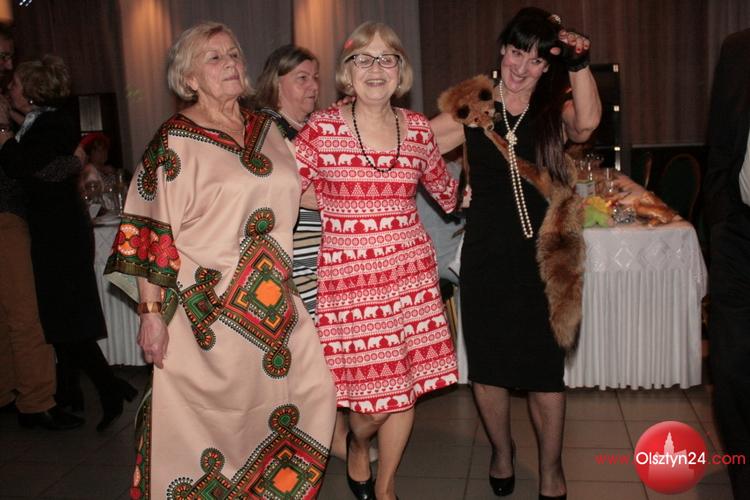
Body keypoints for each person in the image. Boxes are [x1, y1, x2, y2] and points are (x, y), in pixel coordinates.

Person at [104, 22, 336, 498]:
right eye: (214, 57)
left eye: (234, 54)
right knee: (210, 435)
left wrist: (376, 195)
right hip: (206, 318)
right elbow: (149, 230)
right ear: (188, 78)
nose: (230, 63)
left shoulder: (267, 129)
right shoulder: (175, 140)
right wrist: (150, 314)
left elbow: (302, 193)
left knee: (310, 401)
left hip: (276, 313)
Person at [431, 7, 601, 499]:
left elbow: (587, 124)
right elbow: (415, 144)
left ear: (548, 67)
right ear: (502, 49)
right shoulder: (475, 105)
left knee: (546, 374)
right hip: (487, 255)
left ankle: (551, 469)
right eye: (515, 52)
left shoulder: (551, 109)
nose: (521, 67)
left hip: (546, 260)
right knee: (489, 368)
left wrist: (578, 63)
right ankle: (502, 452)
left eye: (535, 59)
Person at [295, 21, 459, 500]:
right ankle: (357, 442)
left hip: (411, 275)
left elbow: (447, 193)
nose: (375, 68)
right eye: (363, 58)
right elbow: (282, 189)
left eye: (387, 58)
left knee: (405, 389)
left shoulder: (418, 128)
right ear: (347, 72)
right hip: (351, 281)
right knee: (372, 405)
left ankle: (385, 488)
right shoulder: (322, 129)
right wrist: (333, 203)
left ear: (400, 71)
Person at [0, 55, 133, 432]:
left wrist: (3, 131)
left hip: (58, 233)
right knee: (61, 318)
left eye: (15, 83)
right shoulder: (41, 121)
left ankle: (108, 388)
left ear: (32, 90)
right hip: (53, 230)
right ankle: (74, 392)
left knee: (64, 320)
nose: (9, 87)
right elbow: (45, 163)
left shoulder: (53, 123)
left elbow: (22, 166)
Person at [0, 24, 83, 430]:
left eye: (9, 57)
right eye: (1, 57)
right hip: (7, 214)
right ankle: (33, 401)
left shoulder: (24, 113)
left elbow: (34, 161)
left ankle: (16, 395)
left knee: (14, 312)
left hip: (14, 214)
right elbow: (27, 166)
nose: (7, 65)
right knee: (22, 312)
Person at [703, 28, 750, 499]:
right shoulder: (738, 48)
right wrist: (721, 218)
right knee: (732, 367)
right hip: (739, 231)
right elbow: (720, 137)